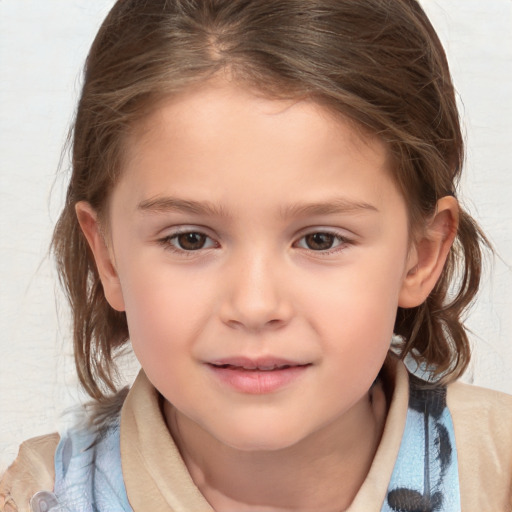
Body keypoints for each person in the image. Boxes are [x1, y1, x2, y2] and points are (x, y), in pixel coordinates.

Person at [1, 0, 511, 510]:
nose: (253, 305)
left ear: (419, 256)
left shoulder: (497, 470)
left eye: (320, 240)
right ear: (107, 257)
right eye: (190, 239)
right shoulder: (38, 497)